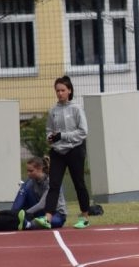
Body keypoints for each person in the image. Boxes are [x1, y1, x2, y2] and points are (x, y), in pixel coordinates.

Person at [45, 75, 92, 229]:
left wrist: (63, 136)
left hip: (75, 150)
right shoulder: (52, 110)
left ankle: (84, 217)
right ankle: (47, 217)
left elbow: (83, 132)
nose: (59, 93)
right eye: (57, 90)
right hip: (58, 152)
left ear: (69, 91)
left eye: (63, 90)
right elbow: (49, 129)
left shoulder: (76, 108)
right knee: (54, 184)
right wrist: (50, 138)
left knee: (79, 183)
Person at [12, 156, 67, 229]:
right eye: (27, 171)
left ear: (40, 169)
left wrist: (25, 213)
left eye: (31, 171)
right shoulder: (32, 180)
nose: (28, 174)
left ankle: (28, 224)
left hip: (57, 214)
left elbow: (42, 204)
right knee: (24, 187)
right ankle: (13, 215)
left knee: (44, 221)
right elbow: (24, 195)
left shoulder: (51, 181)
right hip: (42, 212)